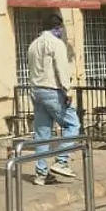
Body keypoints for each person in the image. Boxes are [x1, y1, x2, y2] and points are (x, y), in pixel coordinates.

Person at [25, 14, 79, 185]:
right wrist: (67, 90)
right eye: (61, 28)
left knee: (42, 133)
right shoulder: (56, 44)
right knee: (72, 124)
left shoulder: (33, 45)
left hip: (36, 90)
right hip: (52, 90)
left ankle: (41, 174)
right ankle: (62, 161)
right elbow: (61, 68)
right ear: (57, 28)